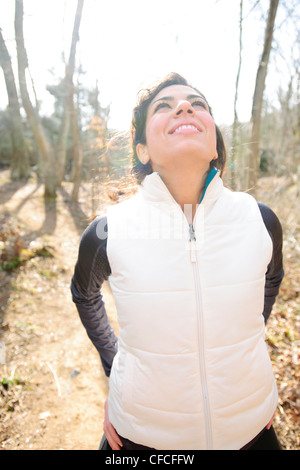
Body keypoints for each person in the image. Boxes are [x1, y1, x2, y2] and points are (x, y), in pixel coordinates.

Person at [71, 73, 284, 450]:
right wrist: (115, 365)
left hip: (252, 429)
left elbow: (271, 280)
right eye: (164, 106)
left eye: (197, 103)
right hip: (141, 437)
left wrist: (247, 351)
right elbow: (84, 295)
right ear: (142, 150)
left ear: (215, 144)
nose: (185, 107)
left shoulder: (260, 220)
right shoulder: (107, 232)